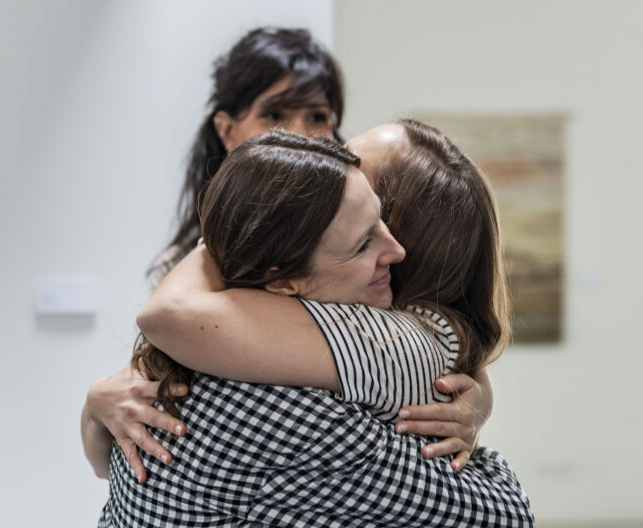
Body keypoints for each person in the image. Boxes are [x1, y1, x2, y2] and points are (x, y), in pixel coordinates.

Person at [78, 132, 534, 528]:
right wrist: (478, 442)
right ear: (286, 272)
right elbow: (503, 518)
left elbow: (113, 459)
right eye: (362, 236)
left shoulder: (220, 343)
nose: (391, 249)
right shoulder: (283, 399)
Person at [81, 27, 494, 484]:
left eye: (317, 116)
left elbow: (420, 341)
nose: (297, 133)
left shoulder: (362, 269)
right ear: (226, 130)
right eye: (273, 114)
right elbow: (131, 434)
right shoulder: (186, 271)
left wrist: (476, 394)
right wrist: (97, 404)